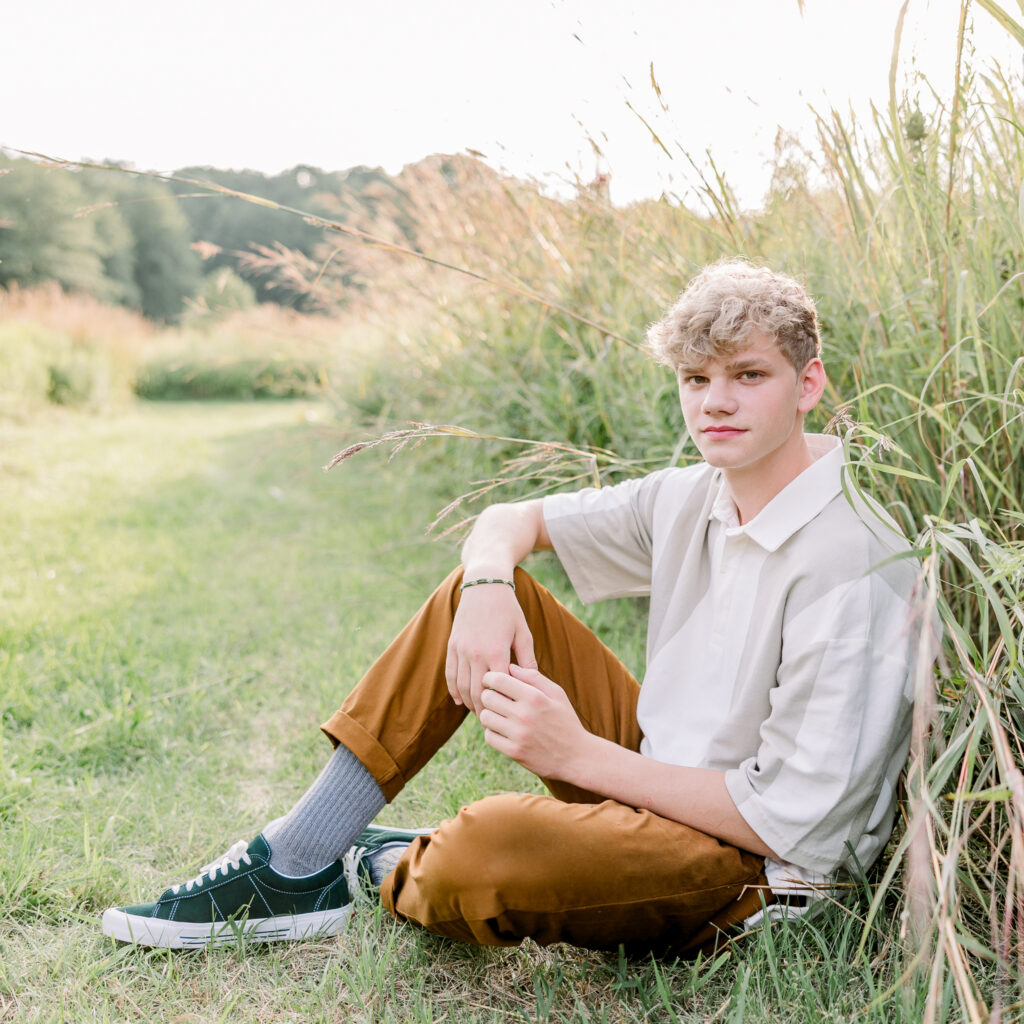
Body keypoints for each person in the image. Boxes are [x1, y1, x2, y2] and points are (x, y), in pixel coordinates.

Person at [102, 259, 923, 955]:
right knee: (478, 589)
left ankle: (384, 863)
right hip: (663, 768)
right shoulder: (695, 495)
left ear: (807, 383)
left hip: (747, 866)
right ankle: (298, 856)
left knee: (487, 847)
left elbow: (795, 827)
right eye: (696, 379)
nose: (716, 403)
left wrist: (576, 755)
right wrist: (491, 585)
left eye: (749, 376)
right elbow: (509, 523)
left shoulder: (851, 560)